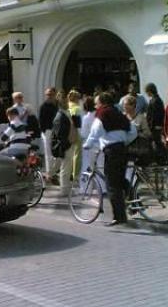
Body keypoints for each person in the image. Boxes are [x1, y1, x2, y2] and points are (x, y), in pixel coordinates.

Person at [83, 92, 137, 226]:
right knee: (119, 180)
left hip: (112, 152)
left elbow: (95, 132)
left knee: (112, 185)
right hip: (122, 150)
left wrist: (87, 145)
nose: (96, 106)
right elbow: (133, 131)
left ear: (102, 103)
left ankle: (119, 217)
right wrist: (124, 141)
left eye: (97, 103)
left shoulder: (102, 114)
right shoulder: (119, 114)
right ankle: (136, 203)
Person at [51, 92, 78, 197]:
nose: (67, 102)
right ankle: (64, 190)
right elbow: (59, 134)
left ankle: (64, 187)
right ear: (60, 103)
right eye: (64, 100)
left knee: (66, 168)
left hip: (68, 143)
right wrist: (66, 144)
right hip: (66, 145)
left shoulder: (66, 113)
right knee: (65, 169)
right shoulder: (60, 116)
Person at [39, 87, 58, 180]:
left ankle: (54, 171)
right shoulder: (44, 106)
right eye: (47, 94)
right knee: (48, 152)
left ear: (55, 95)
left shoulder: (57, 105)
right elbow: (41, 120)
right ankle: (49, 173)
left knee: (56, 152)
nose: (48, 96)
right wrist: (44, 131)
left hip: (56, 131)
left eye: (50, 94)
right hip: (47, 131)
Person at [68, 89, 83, 180]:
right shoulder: (77, 108)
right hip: (76, 132)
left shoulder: (67, 106)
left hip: (67, 132)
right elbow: (80, 122)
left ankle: (68, 171)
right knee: (77, 153)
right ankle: (74, 173)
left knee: (69, 153)